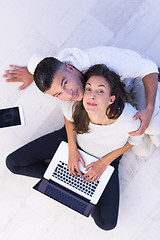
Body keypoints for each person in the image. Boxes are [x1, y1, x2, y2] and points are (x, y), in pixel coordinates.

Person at [6, 64, 144, 230]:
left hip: (105, 158)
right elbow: (68, 117)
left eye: (100, 91)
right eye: (88, 89)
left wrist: (104, 163)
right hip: (72, 140)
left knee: (107, 224)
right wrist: (72, 150)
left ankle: (76, 182)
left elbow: (135, 140)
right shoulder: (75, 103)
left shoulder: (128, 119)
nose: (91, 96)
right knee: (13, 163)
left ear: (111, 99)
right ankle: (64, 178)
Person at [3, 46, 159, 137]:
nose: (69, 94)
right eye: (58, 94)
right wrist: (31, 74)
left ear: (70, 67)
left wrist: (149, 108)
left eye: (65, 83)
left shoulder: (106, 60)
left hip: (133, 80)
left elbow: (149, 68)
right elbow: (36, 61)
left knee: (152, 127)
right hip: (111, 96)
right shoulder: (57, 72)